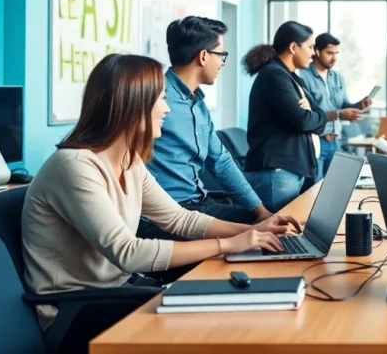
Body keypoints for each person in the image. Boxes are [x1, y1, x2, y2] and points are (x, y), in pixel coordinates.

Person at [21, 54, 300, 341]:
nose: (166, 109)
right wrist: (228, 244)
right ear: (132, 104)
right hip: (76, 312)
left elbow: (179, 219)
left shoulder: (129, 160)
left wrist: (254, 230)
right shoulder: (75, 166)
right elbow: (128, 253)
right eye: (161, 99)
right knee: (213, 327)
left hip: (120, 290)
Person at [140, 17, 273, 246]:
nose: (222, 63)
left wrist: (261, 213)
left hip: (200, 204)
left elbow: (221, 161)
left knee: (271, 228)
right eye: (221, 55)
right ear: (203, 56)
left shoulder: (199, 104)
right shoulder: (154, 98)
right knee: (257, 237)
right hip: (166, 215)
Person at [242, 21, 327, 212]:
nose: (314, 53)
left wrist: (314, 115)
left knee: (290, 229)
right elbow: (303, 120)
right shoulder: (274, 75)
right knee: (276, 230)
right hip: (277, 174)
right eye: (310, 47)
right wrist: (313, 115)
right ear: (293, 47)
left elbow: (320, 118)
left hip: (291, 171)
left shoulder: (293, 78)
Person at [299, 33, 372, 180]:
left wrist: (359, 105)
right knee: (315, 188)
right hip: (316, 141)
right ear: (317, 51)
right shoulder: (303, 76)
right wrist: (340, 114)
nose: (334, 58)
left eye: (336, 53)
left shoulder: (337, 77)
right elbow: (308, 113)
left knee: (336, 183)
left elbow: (343, 104)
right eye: (329, 53)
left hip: (335, 142)